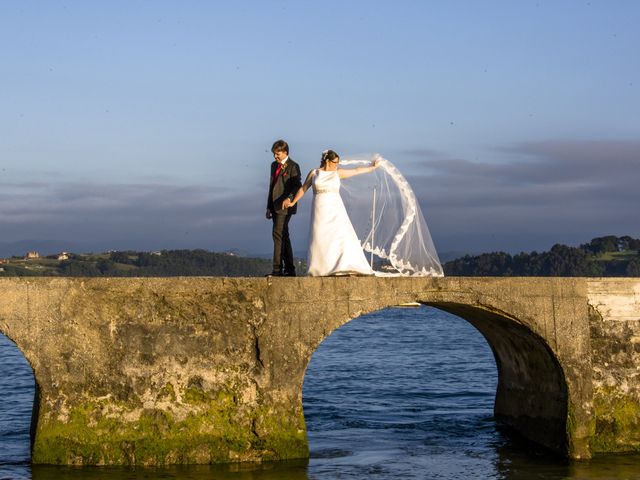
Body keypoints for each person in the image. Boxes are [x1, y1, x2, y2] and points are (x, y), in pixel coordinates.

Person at [283, 149, 379, 276]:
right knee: (320, 235)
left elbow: (356, 170)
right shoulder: (314, 172)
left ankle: (343, 264)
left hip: (335, 208)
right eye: (335, 162)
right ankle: (322, 267)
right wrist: (293, 201)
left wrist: (372, 167)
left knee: (339, 235)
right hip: (319, 208)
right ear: (327, 160)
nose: (337, 164)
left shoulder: (337, 173)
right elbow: (303, 188)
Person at [266, 139, 302, 276]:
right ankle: (290, 269)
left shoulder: (293, 166)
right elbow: (272, 186)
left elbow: (296, 185)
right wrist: (268, 207)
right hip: (274, 206)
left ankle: (277, 269)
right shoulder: (273, 165)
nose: (275, 156)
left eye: (277, 154)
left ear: (285, 152)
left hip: (285, 206)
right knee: (283, 236)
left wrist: (290, 198)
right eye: (274, 154)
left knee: (277, 235)